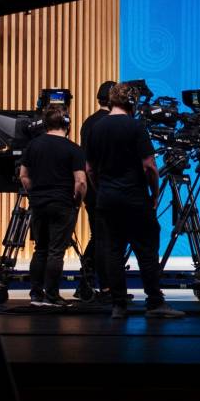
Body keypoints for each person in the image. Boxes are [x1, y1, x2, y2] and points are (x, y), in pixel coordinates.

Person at [82, 82, 184, 319]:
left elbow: (89, 169)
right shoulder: (136, 127)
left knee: (113, 251)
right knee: (146, 252)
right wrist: (156, 193)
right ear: (132, 102)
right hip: (135, 198)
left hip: (107, 199)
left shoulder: (96, 128)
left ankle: (118, 305)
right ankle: (155, 302)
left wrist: (102, 189)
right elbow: (149, 166)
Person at [19, 106, 87, 307]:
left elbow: (24, 175)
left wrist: (35, 194)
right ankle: (52, 295)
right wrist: (77, 201)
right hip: (63, 204)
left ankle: (36, 294)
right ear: (67, 124)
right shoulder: (74, 149)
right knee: (56, 251)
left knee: (40, 249)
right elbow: (81, 182)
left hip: (38, 204)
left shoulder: (33, 146)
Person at [79, 80, 116, 300]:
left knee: (99, 236)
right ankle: (103, 286)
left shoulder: (88, 122)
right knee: (104, 238)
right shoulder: (112, 123)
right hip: (106, 188)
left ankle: (87, 281)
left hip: (91, 190)